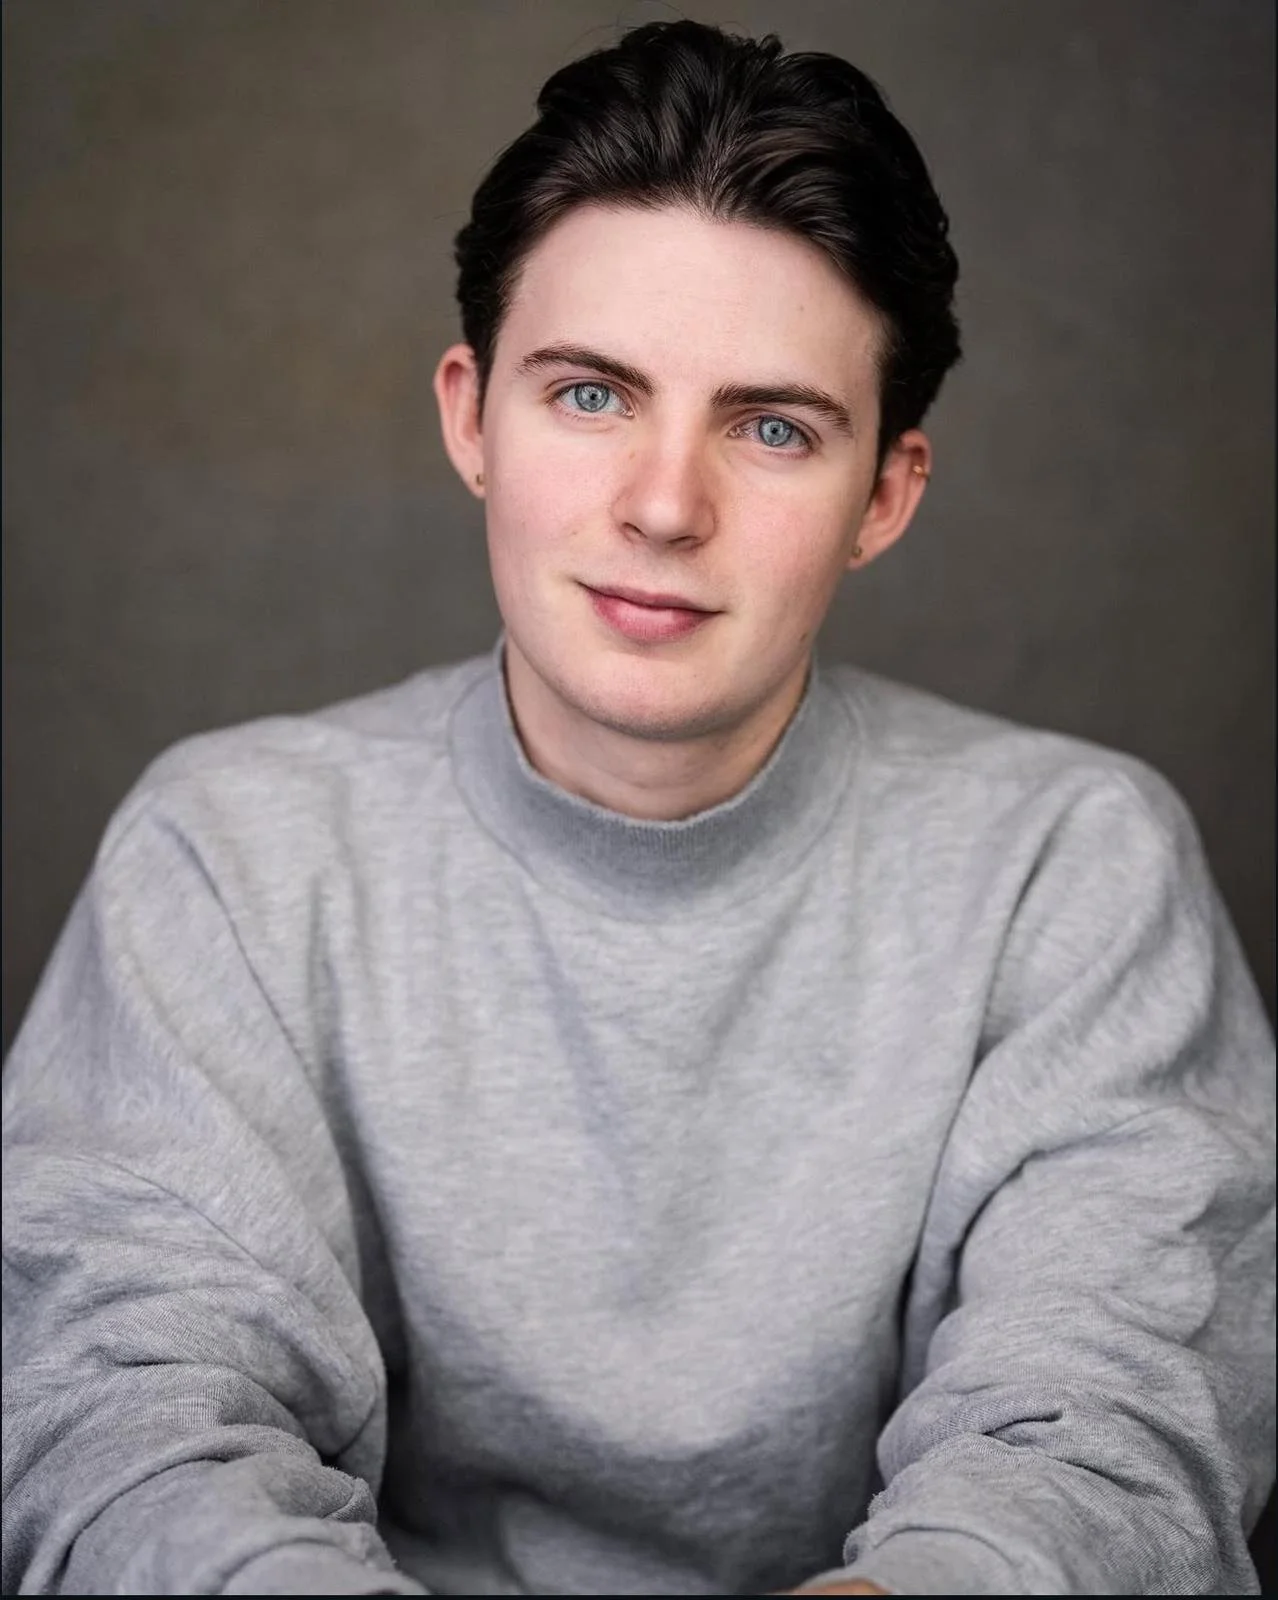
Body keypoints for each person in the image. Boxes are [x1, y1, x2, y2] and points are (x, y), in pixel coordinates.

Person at [2, 18, 1273, 1597]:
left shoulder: (1076, 873)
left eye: (771, 426)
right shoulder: (226, 859)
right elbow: (133, 1442)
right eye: (592, 395)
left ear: (884, 491)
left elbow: (1102, 1446)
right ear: (472, 416)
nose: (665, 506)